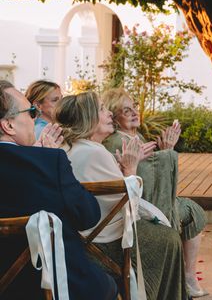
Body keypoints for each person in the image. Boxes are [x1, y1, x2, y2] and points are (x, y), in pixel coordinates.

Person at [56, 92, 188, 300]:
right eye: (101, 108)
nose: (109, 113)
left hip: (80, 236)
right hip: (102, 242)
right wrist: (130, 169)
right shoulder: (93, 152)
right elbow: (129, 205)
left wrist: (119, 168)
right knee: (168, 238)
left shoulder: (70, 148)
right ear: (88, 117)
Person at [0, 80, 117, 300]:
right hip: (56, 286)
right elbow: (88, 216)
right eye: (31, 112)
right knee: (109, 283)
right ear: (8, 125)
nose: (34, 119)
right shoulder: (49, 161)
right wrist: (51, 160)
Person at [101, 88, 208, 297]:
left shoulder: (135, 135)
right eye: (126, 110)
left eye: (135, 107)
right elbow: (142, 179)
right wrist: (167, 152)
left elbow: (149, 169)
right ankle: (187, 277)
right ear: (114, 117)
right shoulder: (118, 141)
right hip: (144, 206)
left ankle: (188, 276)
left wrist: (165, 150)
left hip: (149, 200)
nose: (134, 112)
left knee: (193, 211)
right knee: (193, 212)